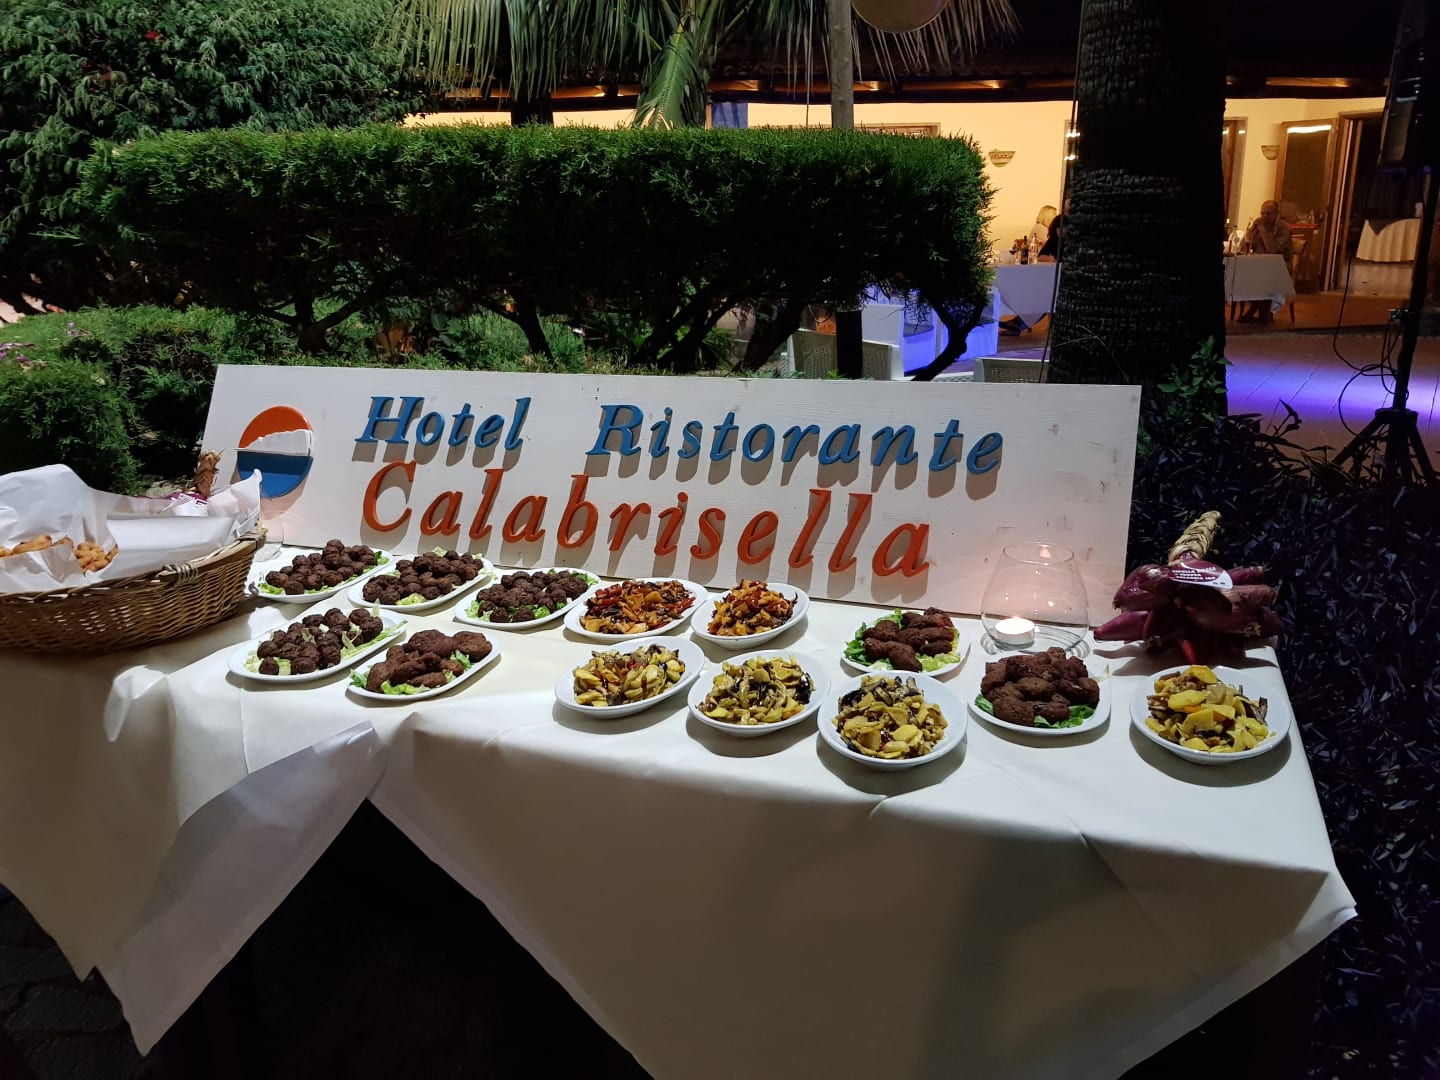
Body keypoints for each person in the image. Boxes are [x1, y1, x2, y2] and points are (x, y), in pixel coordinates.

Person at [1238, 200, 1293, 322]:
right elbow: (1243, 246)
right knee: (1242, 275)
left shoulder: (1284, 228)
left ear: (1276, 214)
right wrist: (1251, 230)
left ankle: (1261, 315)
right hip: (1259, 265)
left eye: (1268, 213)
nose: (1264, 216)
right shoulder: (1258, 225)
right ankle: (1260, 313)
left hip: (1280, 268)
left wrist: (1263, 231)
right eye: (1262, 213)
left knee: (1264, 277)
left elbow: (1272, 250)